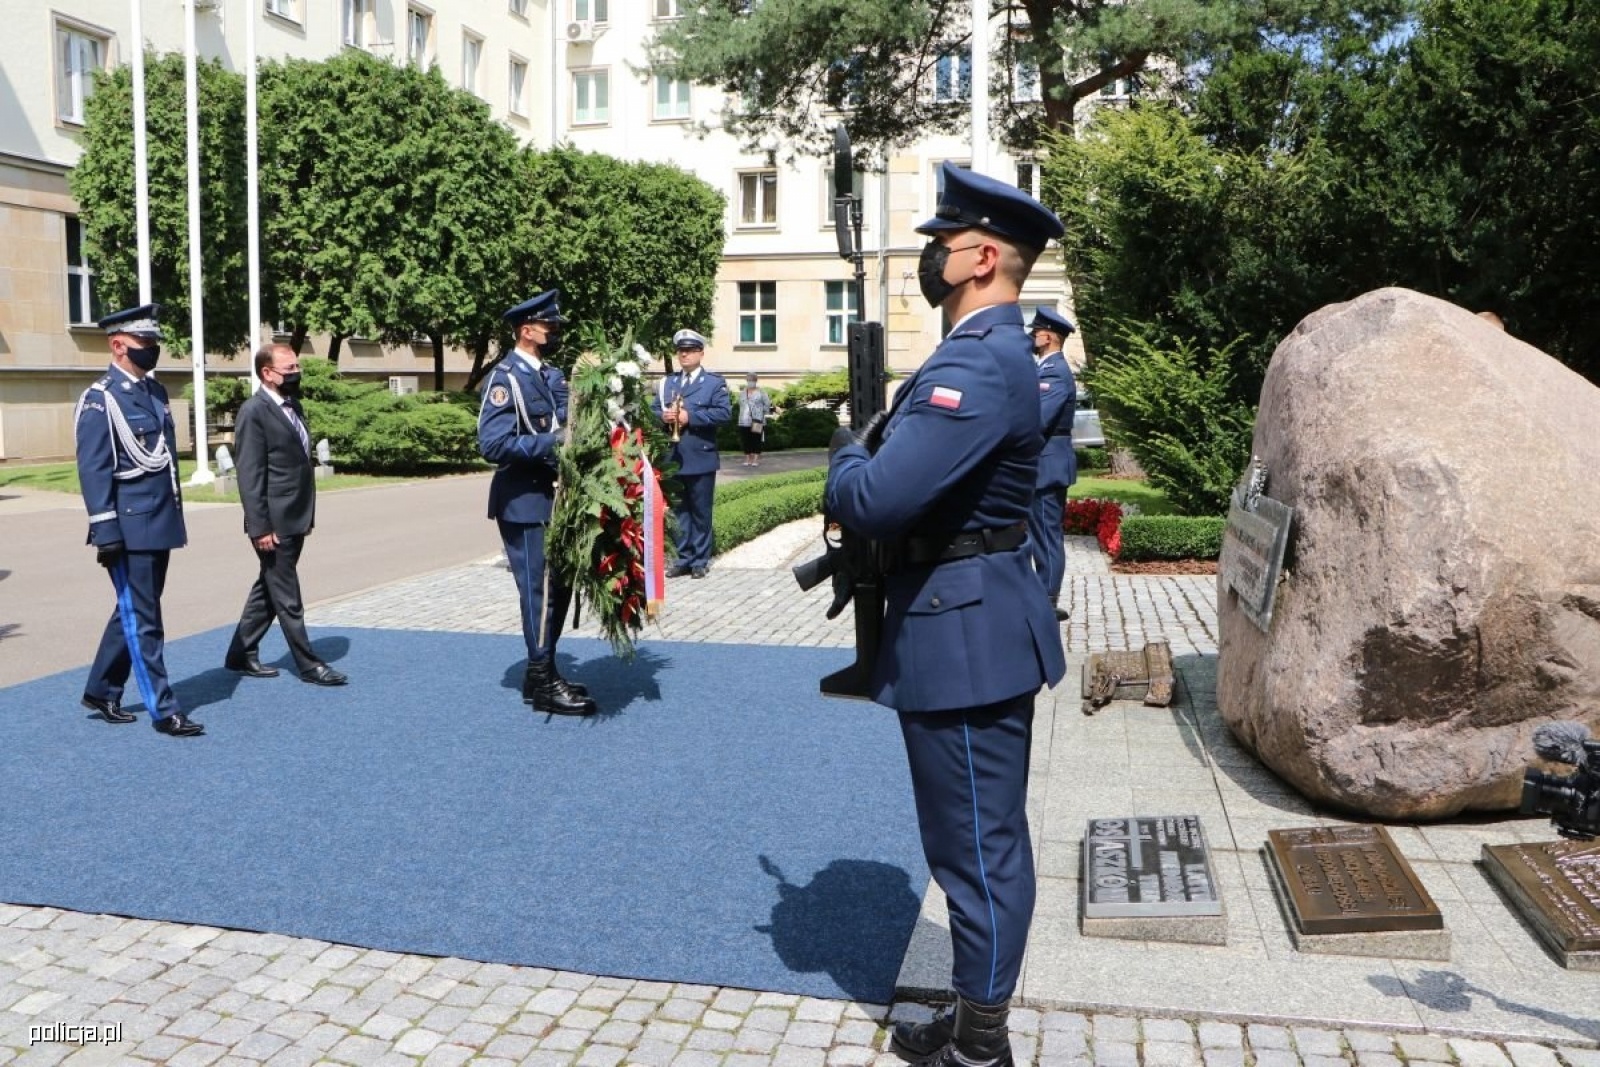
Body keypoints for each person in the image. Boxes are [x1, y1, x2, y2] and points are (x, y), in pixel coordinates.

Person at [825, 163, 1067, 1067]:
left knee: (976, 848)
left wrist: (842, 463)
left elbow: (881, 496)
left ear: (983, 255)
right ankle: (976, 1023)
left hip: (965, 633)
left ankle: (983, 1047)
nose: (931, 255)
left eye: (942, 242)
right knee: (972, 840)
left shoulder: (978, 357)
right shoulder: (990, 352)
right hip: (967, 618)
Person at [74, 303, 204, 737]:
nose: (153, 350)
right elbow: (94, 470)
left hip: (158, 521)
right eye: (144, 344)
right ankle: (164, 710)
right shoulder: (101, 399)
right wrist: (105, 529)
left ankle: (101, 688)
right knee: (144, 617)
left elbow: (160, 460)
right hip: (128, 527)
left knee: (132, 610)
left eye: (154, 343)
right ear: (118, 345)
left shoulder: (154, 391)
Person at [478, 289, 596, 716]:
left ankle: (539, 671)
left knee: (558, 589)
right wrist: (552, 442)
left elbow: (576, 418)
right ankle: (544, 680)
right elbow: (492, 444)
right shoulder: (505, 378)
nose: (555, 333)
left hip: (556, 500)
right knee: (539, 592)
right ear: (527, 331)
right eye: (549, 327)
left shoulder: (550, 375)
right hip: (524, 501)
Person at [224, 344, 347, 686]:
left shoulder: (293, 405)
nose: (296, 372)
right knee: (287, 595)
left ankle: (240, 652)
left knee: (270, 587)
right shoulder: (254, 411)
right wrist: (260, 526)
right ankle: (309, 665)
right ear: (267, 373)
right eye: (288, 368)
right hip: (273, 522)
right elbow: (250, 474)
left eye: (297, 366)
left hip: (295, 515)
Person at [652, 329, 731, 578]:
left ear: (701, 353)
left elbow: (724, 414)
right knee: (678, 512)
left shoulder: (713, 383)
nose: (684, 355)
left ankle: (700, 560)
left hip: (700, 455)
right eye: (680, 351)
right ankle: (682, 558)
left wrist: (690, 417)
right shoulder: (668, 382)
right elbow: (653, 411)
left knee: (700, 511)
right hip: (673, 457)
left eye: (689, 351)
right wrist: (662, 416)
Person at [1026, 307, 1078, 622]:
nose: (1032, 336)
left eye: (1036, 332)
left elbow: (1039, 420)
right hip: (1041, 465)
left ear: (1048, 336)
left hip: (1048, 467)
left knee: (1046, 534)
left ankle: (1047, 598)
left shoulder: (1055, 372)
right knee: (1038, 533)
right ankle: (1040, 594)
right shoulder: (1044, 370)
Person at [737, 373, 772, 467]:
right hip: (743, 420)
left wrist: (760, 412)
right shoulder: (742, 393)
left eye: (752, 380)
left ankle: (755, 460)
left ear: (756, 381)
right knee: (746, 440)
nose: (750, 382)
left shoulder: (761, 392)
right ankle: (748, 458)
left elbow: (767, 404)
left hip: (757, 420)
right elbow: (740, 404)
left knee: (756, 440)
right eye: (748, 380)